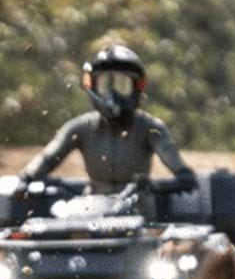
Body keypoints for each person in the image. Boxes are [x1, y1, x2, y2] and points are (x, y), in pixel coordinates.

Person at [20, 45, 197, 192]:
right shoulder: (80, 128)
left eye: (122, 85)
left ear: (137, 87)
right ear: (92, 86)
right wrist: (27, 177)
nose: (113, 94)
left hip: (139, 213)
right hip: (91, 211)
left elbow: (178, 167)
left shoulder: (150, 128)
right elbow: (48, 157)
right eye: (106, 84)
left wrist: (158, 184)